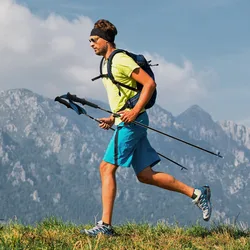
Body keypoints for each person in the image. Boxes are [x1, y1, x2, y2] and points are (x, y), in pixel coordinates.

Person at [82, 19, 212, 236]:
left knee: (106, 168)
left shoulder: (120, 60)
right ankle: (197, 194)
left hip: (133, 122)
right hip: (128, 121)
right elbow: (123, 97)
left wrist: (133, 113)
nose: (91, 44)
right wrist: (113, 118)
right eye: (89, 40)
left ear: (105, 40)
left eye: (94, 40)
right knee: (144, 175)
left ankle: (105, 226)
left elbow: (149, 84)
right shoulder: (105, 63)